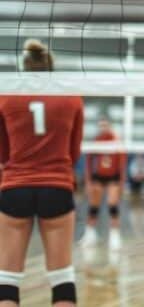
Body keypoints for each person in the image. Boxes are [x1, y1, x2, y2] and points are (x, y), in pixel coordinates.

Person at [0, 39, 83, 306]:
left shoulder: (6, 97)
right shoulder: (71, 98)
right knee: (62, 278)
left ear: (23, 66)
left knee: (7, 279)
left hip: (15, 188)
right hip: (56, 187)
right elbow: (74, 153)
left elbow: (2, 154)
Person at [81, 116, 126, 250]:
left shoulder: (117, 141)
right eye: (101, 126)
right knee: (94, 206)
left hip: (113, 177)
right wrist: (88, 181)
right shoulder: (97, 141)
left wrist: (122, 182)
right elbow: (88, 161)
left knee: (113, 205)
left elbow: (122, 164)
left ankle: (115, 236)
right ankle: (89, 234)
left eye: (105, 125)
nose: (103, 128)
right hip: (98, 176)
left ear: (110, 126)